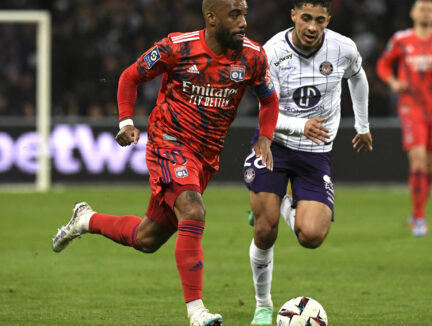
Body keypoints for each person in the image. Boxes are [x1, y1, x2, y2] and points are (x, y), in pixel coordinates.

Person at [51, 1, 279, 325]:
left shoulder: (253, 56)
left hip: (206, 156)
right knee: (193, 209)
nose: (243, 22)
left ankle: (86, 219)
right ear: (212, 18)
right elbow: (130, 77)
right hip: (168, 141)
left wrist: (266, 137)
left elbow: (269, 100)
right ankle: (197, 311)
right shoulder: (176, 47)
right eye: (235, 15)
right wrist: (126, 121)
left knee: (147, 238)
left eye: (244, 13)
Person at [242, 0, 372, 324]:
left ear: (328, 19)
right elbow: (264, 110)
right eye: (305, 19)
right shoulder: (271, 53)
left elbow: (358, 78)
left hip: (316, 154)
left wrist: (363, 126)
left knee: (311, 236)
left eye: (319, 20)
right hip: (275, 145)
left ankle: (279, 200)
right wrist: (301, 126)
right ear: (293, 17)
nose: (312, 27)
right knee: (265, 229)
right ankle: (262, 305)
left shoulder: (343, 49)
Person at [376, 0, 432, 237]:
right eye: (421, 8)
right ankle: (419, 217)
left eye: (430, 9)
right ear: (412, 13)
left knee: (431, 165)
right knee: (417, 160)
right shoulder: (401, 39)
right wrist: (394, 82)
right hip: (411, 106)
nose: (425, 12)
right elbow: (383, 65)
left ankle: (416, 213)